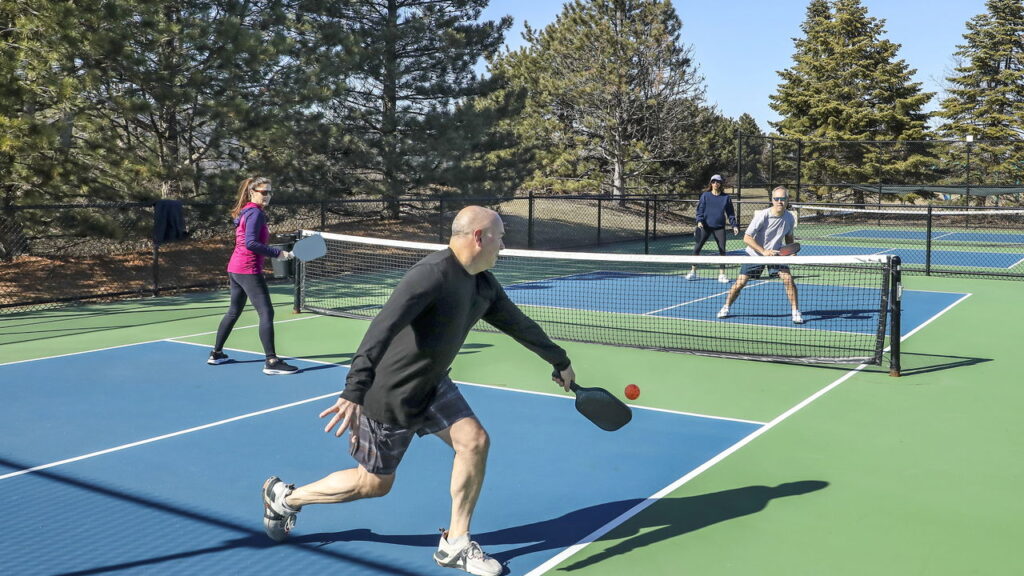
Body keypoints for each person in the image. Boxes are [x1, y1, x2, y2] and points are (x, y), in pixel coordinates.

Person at [260, 206, 576, 576]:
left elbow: (518, 324)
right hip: (391, 391)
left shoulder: (482, 283)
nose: (503, 245)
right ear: (479, 237)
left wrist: (559, 359)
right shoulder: (430, 275)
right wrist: (354, 390)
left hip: (433, 382)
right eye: (500, 236)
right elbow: (381, 328)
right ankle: (285, 498)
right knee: (374, 484)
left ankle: (455, 543)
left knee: (474, 441)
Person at [207, 176, 299, 374]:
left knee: (233, 311)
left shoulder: (247, 211)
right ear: (252, 192)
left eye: (270, 192)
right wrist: (278, 253)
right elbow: (250, 243)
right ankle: (271, 361)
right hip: (247, 269)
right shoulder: (255, 214)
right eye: (263, 192)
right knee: (266, 312)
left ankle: (216, 353)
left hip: (235, 267)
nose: (267, 196)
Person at [717, 186, 804, 324]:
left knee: (788, 279)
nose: (779, 201)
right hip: (755, 254)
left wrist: (790, 251)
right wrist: (763, 252)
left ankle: (795, 312)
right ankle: (726, 307)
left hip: (776, 255)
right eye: (776, 199)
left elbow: (789, 236)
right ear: (772, 200)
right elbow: (746, 237)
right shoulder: (763, 215)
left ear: (787, 200)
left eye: (783, 199)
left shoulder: (789, 218)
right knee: (740, 283)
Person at [686, 174, 739, 283]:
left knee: (722, 250)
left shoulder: (726, 198)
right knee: (696, 248)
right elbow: (700, 210)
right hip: (705, 226)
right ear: (711, 183)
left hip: (719, 228)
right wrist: (699, 221)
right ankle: (693, 272)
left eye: (718, 182)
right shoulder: (705, 196)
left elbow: (730, 213)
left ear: (720, 184)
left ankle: (722, 275)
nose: (715, 183)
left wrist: (734, 225)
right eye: (713, 181)